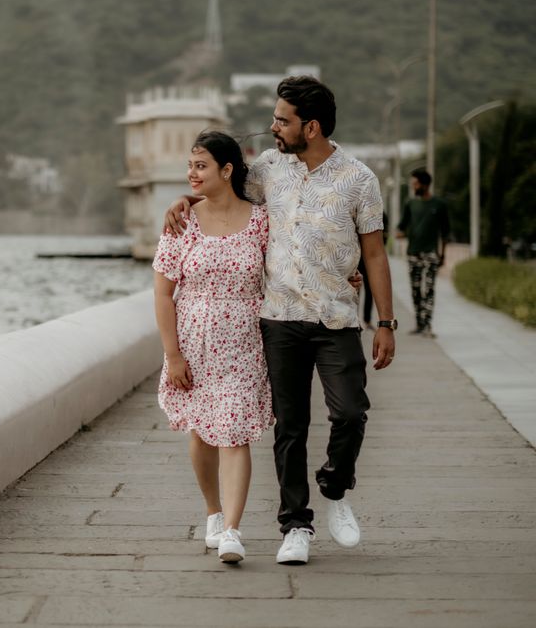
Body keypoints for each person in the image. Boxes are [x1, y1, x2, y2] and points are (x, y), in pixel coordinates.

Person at [164, 76, 396, 566]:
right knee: (289, 427)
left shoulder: (360, 180)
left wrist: (387, 322)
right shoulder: (269, 170)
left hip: (336, 318)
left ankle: (335, 486)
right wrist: (183, 201)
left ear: (310, 127)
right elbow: (221, 193)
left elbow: (374, 255)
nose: (272, 127)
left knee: (350, 412)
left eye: (281, 120)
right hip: (278, 320)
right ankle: (296, 525)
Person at [153, 131, 273, 564]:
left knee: (234, 431)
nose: (192, 173)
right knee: (203, 433)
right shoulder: (181, 223)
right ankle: (213, 511)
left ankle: (233, 531)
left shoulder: (261, 220)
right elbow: (163, 293)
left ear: (226, 170)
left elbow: (286, 266)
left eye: (201, 165)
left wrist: (345, 278)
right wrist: (173, 355)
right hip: (193, 343)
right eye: (190, 166)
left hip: (245, 342)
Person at [397, 169, 450, 337]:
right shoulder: (410, 204)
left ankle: (427, 326)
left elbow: (445, 232)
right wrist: (402, 233)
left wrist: (443, 255)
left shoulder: (439, 205)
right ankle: (419, 324)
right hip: (413, 253)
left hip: (431, 254)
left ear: (425, 184)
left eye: (416, 184)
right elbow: (400, 228)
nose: (413, 187)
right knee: (415, 290)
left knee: (428, 290)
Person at [357, 211, 389, 331]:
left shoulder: (381, 214)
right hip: (357, 258)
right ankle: (355, 319)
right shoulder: (357, 209)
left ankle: (367, 319)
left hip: (370, 258)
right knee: (355, 289)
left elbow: (384, 236)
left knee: (370, 290)